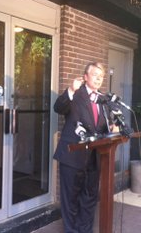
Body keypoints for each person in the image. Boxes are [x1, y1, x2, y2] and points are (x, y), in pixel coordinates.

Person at [53, 62, 117, 233]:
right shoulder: (76, 94)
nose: (98, 78)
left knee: (89, 199)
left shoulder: (103, 99)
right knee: (71, 200)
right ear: (85, 77)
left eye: (101, 76)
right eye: (95, 74)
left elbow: (101, 126)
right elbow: (58, 108)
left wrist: (112, 128)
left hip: (94, 158)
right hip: (72, 157)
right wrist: (70, 91)